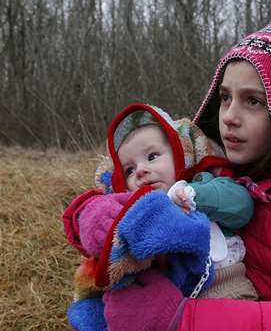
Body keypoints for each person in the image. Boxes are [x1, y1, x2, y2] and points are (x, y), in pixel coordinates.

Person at [70, 17, 271, 330]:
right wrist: (90, 214)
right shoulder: (218, 163)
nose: (229, 117)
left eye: (252, 101)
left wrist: (178, 318)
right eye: (225, 98)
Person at [63, 103, 256, 330]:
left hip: (228, 290)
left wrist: (195, 196)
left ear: (179, 156)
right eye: (130, 170)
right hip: (172, 307)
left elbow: (242, 207)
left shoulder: (203, 182)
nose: (141, 170)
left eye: (152, 156)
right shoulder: (139, 216)